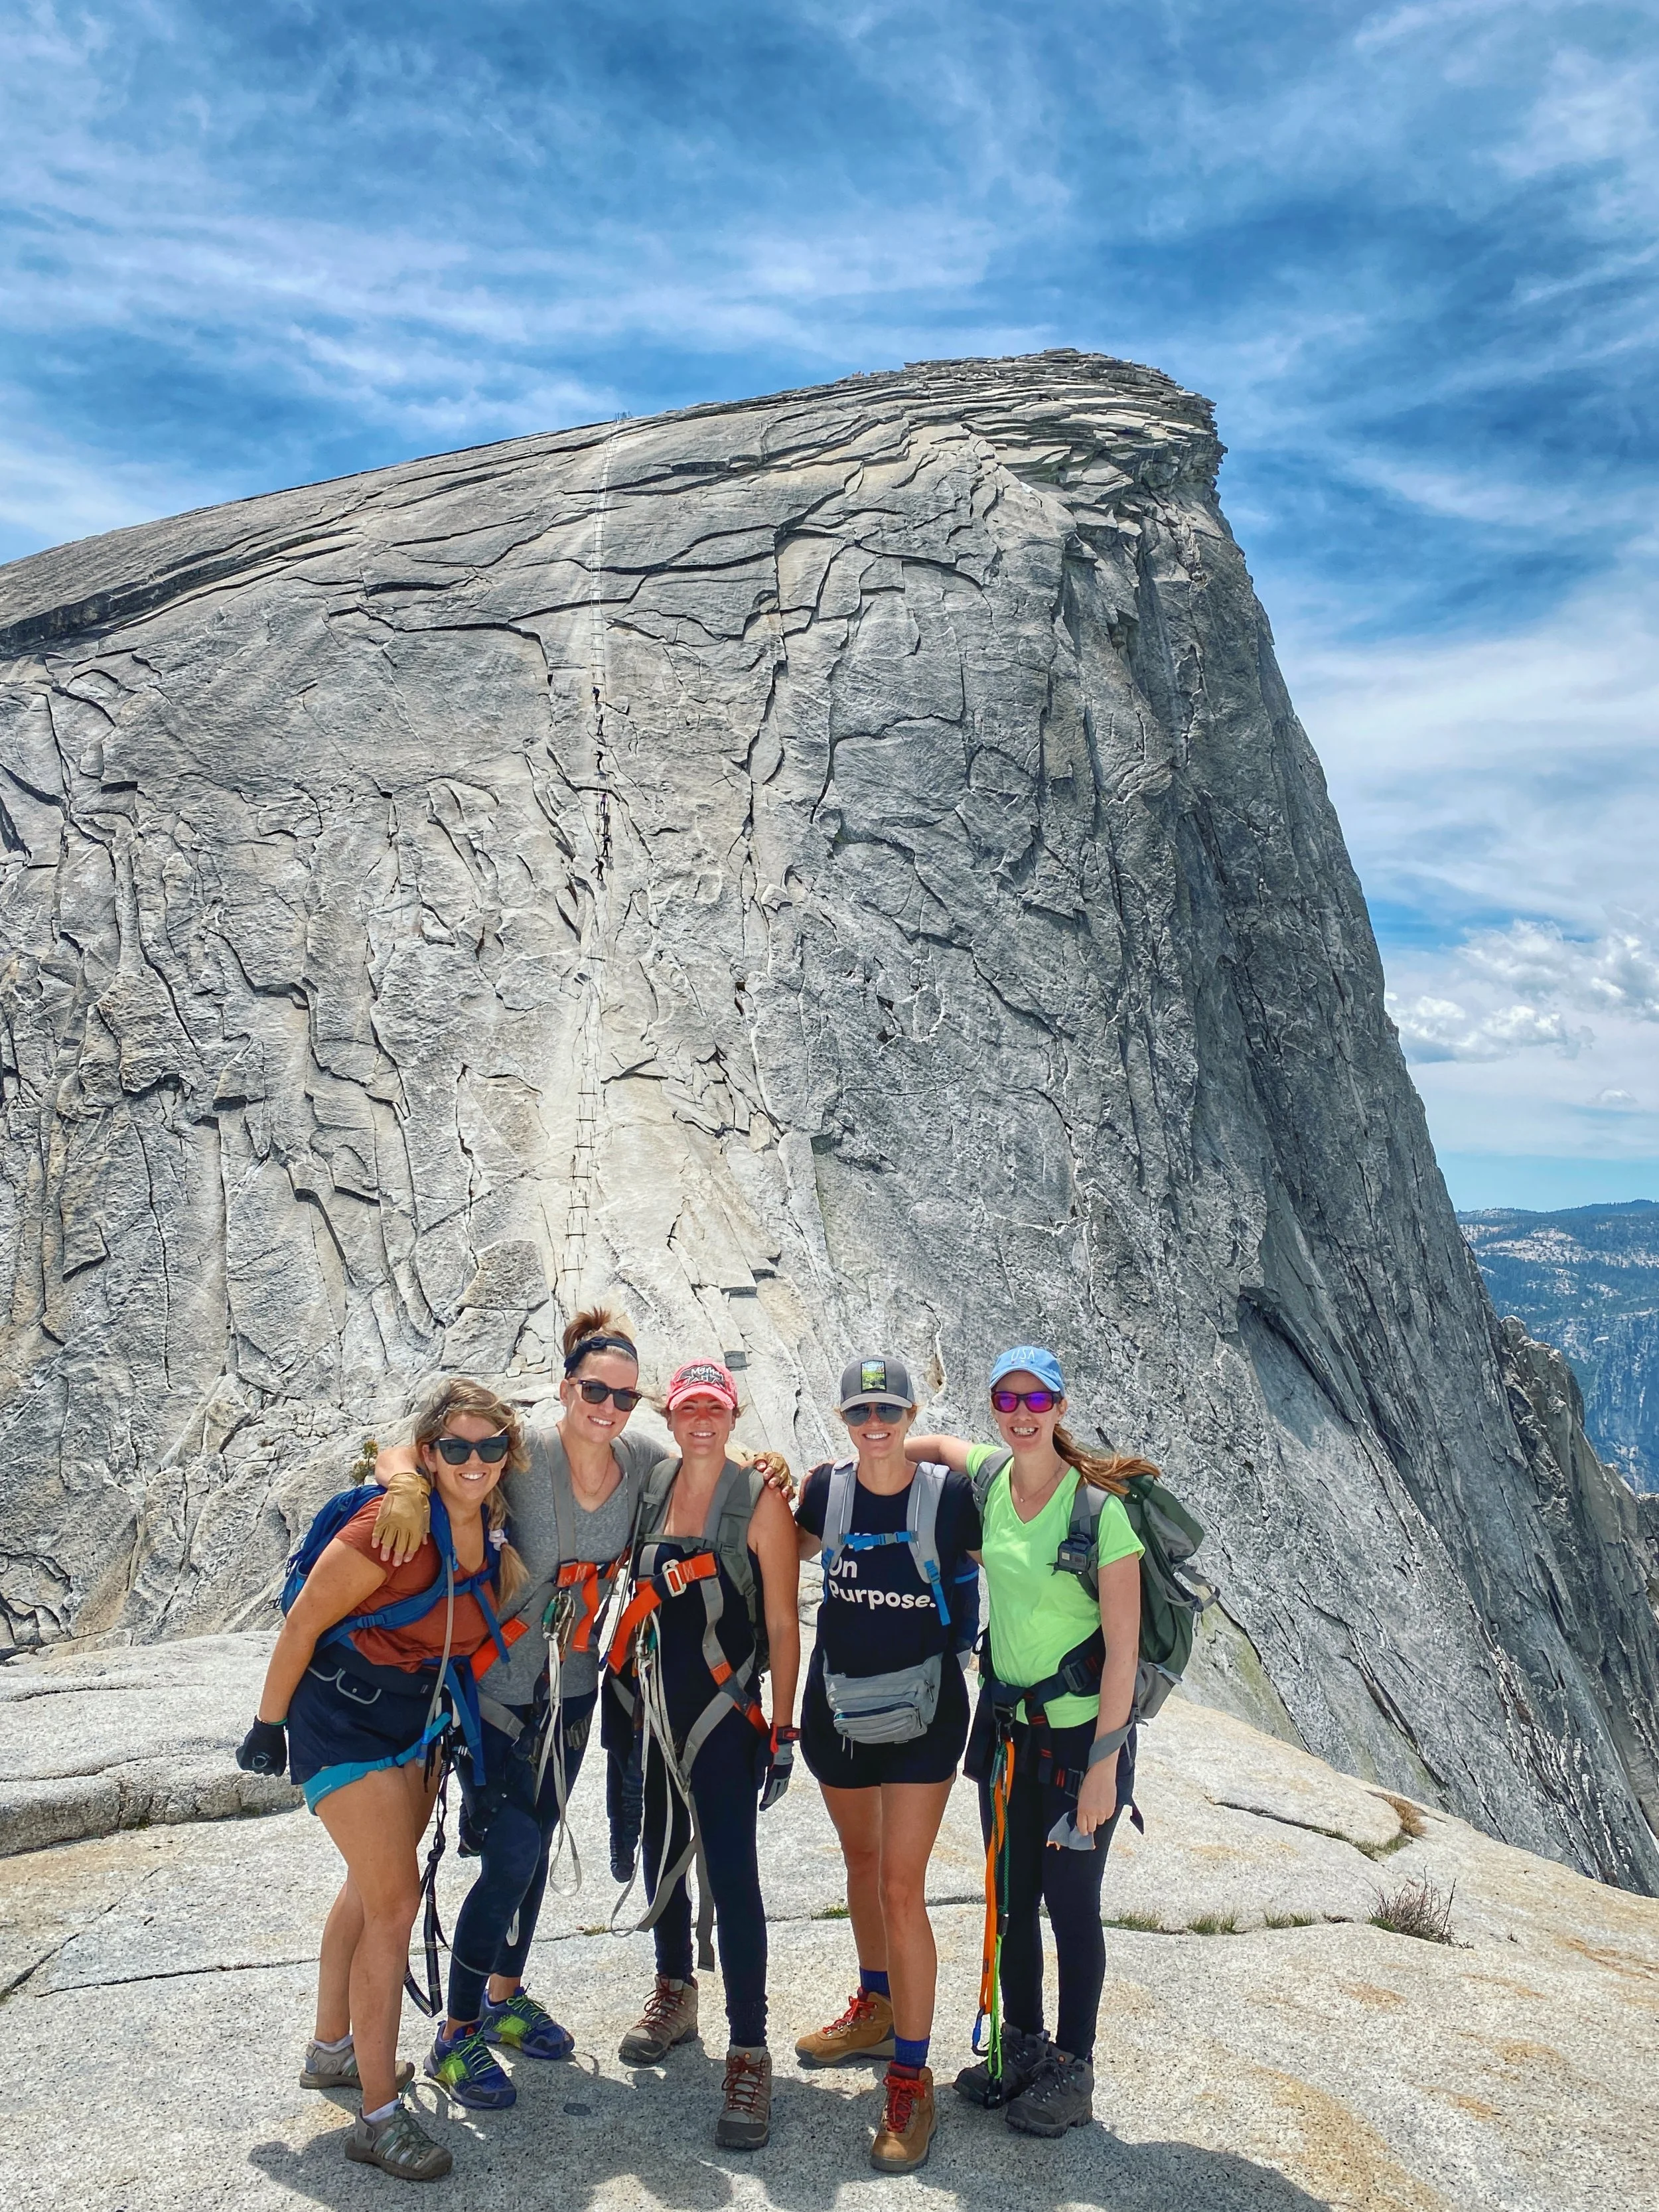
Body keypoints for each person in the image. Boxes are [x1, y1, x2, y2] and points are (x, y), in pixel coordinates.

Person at [366, 1306, 664, 2112]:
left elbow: (710, 1468)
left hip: (570, 1696)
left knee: (530, 1859)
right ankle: (456, 2032)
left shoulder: (639, 1460)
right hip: (496, 1699)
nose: (607, 1409)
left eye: (625, 1398)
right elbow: (417, 1443)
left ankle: (502, 1994)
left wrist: (767, 1464)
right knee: (512, 1855)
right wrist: (400, 1480)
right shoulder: (522, 1446)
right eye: (594, 1391)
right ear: (567, 1387)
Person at [236, 1375, 528, 2183]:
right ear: (431, 1454)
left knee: (369, 1893)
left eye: (490, 1446)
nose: (475, 1461)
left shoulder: (491, 1530)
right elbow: (303, 1623)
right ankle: (376, 2118)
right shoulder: (389, 1525)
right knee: (395, 1904)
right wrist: (266, 1727)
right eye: (455, 1448)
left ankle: (333, 2051)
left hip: (416, 1728)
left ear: (508, 1454)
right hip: (341, 1723)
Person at [906, 1344, 1145, 2140]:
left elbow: (1124, 1654)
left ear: (1060, 1409)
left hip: (1082, 1748)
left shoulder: (1100, 1515)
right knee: (1010, 1903)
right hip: (1009, 1739)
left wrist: (1105, 1770)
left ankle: (1072, 2070)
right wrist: (877, 1442)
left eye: (1034, 1402)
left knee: (1072, 1908)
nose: (1019, 1415)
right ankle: (1021, 2048)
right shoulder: (995, 1479)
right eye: (1005, 1402)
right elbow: (934, 1447)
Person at [790, 1353, 983, 2174]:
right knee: (862, 1862)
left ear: (911, 1416)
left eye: (889, 1414)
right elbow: (774, 1545)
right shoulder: (823, 1493)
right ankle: (875, 2004)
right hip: (834, 1706)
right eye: (860, 1414)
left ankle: (910, 2073)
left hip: (926, 1711)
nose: (874, 1427)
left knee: (902, 1884)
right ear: (842, 1420)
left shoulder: (950, 1498)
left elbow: (1016, 1508)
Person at [605, 1359, 800, 2150]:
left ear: (732, 1412)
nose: (701, 1420)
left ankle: (749, 2050)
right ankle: (674, 1989)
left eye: (713, 1408)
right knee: (662, 1854)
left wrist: (783, 1729)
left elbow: (784, 1624)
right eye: (688, 1408)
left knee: (731, 1869)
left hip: (723, 1715)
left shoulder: (757, 1501)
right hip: (650, 1705)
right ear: (672, 1413)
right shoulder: (651, 1485)